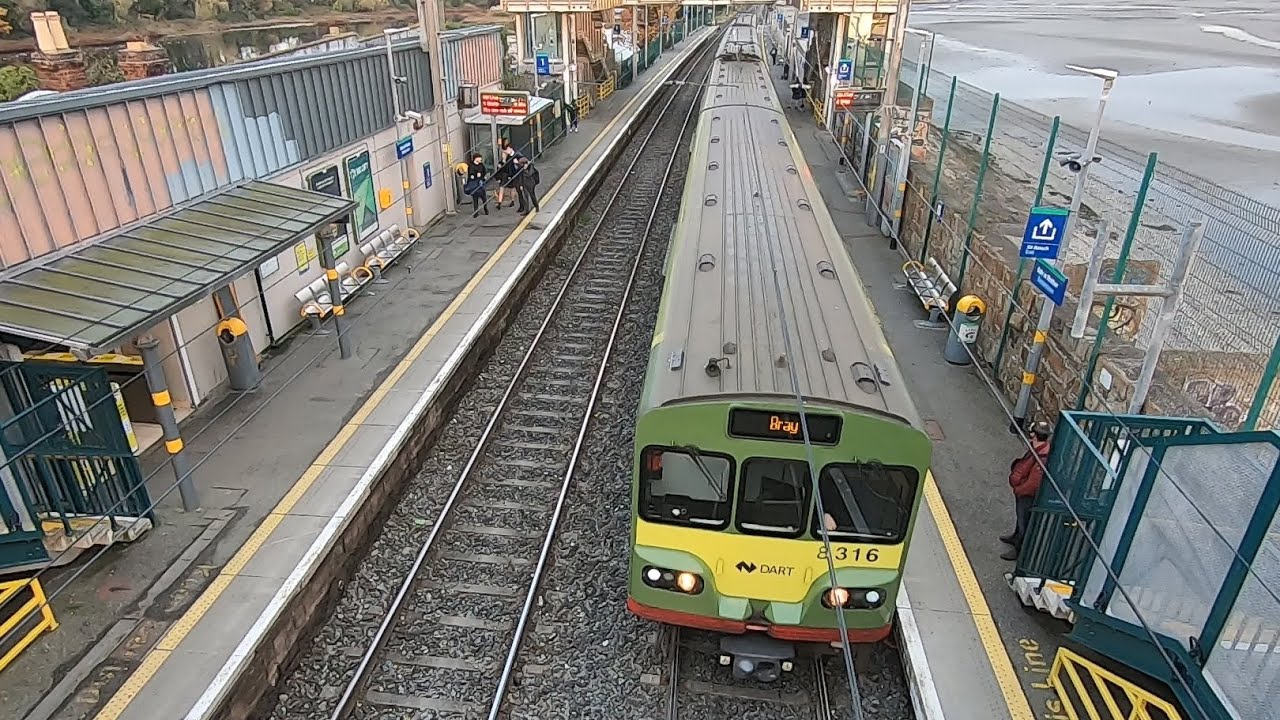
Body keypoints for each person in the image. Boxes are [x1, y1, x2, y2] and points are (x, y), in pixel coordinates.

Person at [1001, 420, 1052, 561]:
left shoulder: (1042, 457)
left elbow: (1033, 484)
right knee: (1020, 519)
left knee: (1024, 522)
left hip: (1026, 496)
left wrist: (1019, 490)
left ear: (1034, 435)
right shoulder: (1039, 449)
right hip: (1023, 492)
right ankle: (1015, 537)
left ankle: (1019, 551)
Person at [464, 153, 489, 218]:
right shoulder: (471, 165)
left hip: (480, 182)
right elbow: (470, 174)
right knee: (475, 198)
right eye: (479, 158)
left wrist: (483, 176)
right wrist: (474, 175)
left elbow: (484, 172)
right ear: (476, 158)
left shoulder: (481, 165)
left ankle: (485, 208)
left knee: (484, 197)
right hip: (474, 183)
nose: (481, 159)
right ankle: (476, 212)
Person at [494, 139, 516, 209]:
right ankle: (500, 202)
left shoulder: (511, 154)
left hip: (510, 173)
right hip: (506, 173)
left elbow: (508, 153)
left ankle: (511, 200)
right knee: (502, 187)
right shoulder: (505, 158)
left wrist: (500, 147)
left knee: (510, 188)